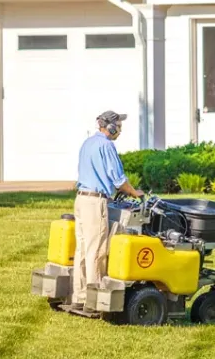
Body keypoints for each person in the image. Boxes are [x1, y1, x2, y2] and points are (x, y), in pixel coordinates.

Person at [71, 110, 144, 310]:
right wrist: (135, 193)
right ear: (110, 127)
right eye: (119, 127)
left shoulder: (88, 143)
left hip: (81, 199)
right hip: (96, 202)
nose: (120, 130)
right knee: (97, 250)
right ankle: (93, 301)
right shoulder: (107, 145)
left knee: (83, 249)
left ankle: (79, 297)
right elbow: (119, 180)